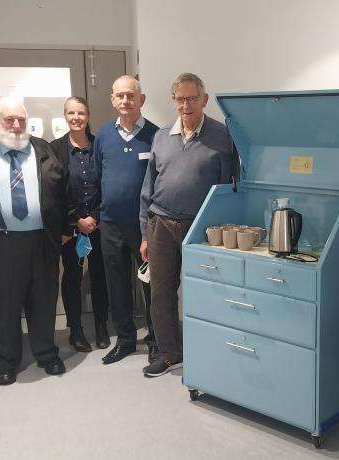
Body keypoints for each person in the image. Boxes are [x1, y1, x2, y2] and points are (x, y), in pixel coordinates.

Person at [0, 96, 70, 385]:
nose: (16, 125)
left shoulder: (42, 149)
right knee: (5, 305)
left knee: (44, 301)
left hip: (42, 240)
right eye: (9, 119)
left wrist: (63, 226)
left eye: (21, 119)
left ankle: (47, 354)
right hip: (2, 243)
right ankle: (6, 361)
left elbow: (62, 189)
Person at [139, 73, 237, 377]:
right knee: (161, 291)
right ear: (173, 101)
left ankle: (207, 347)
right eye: (180, 98)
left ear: (204, 100)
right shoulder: (161, 136)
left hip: (202, 228)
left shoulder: (223, 137)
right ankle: (169, 353)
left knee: (206, 291)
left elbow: (231, 188)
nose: (186, 104)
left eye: (192, 98)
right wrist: (144, 232)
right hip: (161, 224)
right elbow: (148, 186)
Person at [94, 76, 158, 365]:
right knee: (116, 283)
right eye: (119, 96)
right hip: (110, 223)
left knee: (152, 284)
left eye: (131, 96)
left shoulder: (157, 136)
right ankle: (126, 340)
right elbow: (98, 174)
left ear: (141, 99)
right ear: (112, 99)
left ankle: (157, 339)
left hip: (145, 226)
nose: (125, 101)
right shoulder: (104, 135)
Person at [50, 97, 110, 351]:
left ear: (88, 115)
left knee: (100, 277)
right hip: (71, 229)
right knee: (72, 277)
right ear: (65, 116)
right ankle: (75, 329)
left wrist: (94, 216)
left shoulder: (100, 145)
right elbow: (54, 190)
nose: (76, 117)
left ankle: (101, 326)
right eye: (71, 113)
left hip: (100, 224)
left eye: (81, 113)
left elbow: (108, 183)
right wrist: (76, 221)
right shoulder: (54, 149)